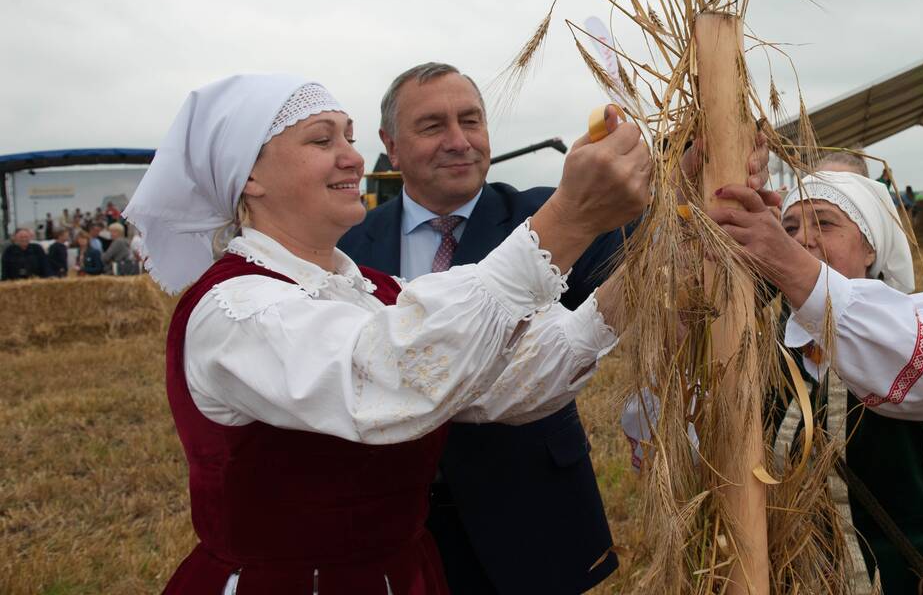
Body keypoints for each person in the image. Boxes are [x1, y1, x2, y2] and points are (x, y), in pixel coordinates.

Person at [123, 73, 653, 595]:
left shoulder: (374, 290)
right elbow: (391, 378)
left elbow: (511, 377)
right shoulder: (234, 307)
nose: (352, 157)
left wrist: (658, 263)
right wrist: (569, 217)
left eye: (349, 137)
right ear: (250, 175)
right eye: (321, 139)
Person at [338, 61, 773, 595]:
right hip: (393, 529)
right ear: (392, 144)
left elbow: (651, 255)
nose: (459, 141)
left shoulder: (558, 212)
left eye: (471, 121)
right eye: (433, 127)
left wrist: (699, 179)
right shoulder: (349, 245)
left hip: (530, 515)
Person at [711, 171, 923, 594]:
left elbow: (920, 373)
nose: (803, 239)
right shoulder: (766, 347)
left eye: (825, 223)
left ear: (871, 246)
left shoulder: (922, 320)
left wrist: (789, 262)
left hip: (917, 580)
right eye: (790, 227)